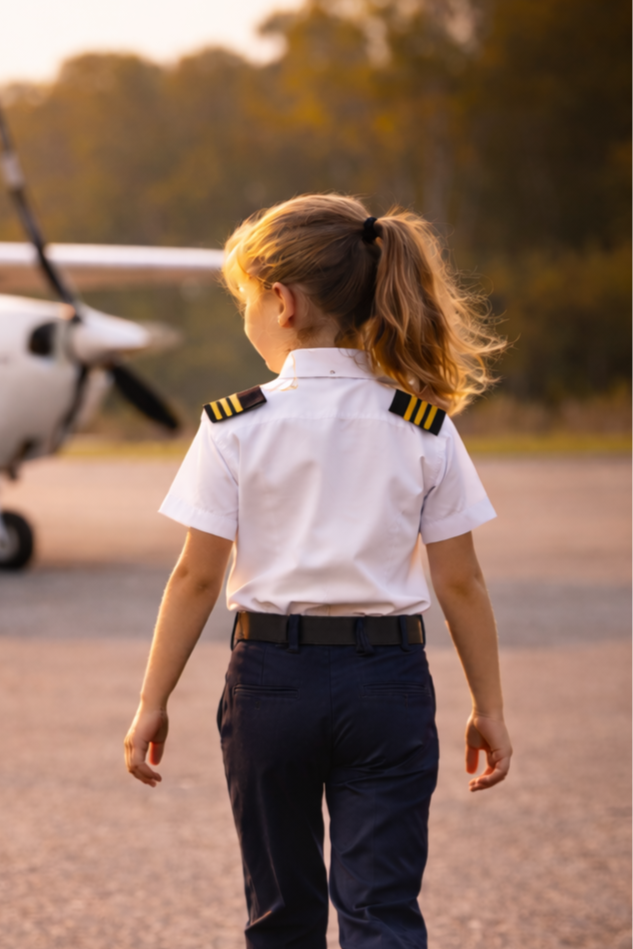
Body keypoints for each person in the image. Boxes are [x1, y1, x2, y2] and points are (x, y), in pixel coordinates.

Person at [124, 194, 513, 949]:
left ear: (282, 300)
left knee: (282, 916)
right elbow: (460, 581)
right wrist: (487, 704)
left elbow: (194, 580)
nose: (247, 319)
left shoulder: (234, 425)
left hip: (271, 681)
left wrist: (152, 700)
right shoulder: (422, 423)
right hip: (388, 684)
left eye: (245, 301)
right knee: (381, 912)